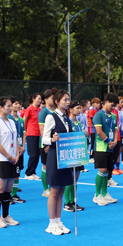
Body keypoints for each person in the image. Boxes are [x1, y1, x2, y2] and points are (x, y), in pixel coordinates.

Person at [42, 90, 74, 235]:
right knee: (54, 191)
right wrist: (52, 139)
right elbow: (44, 138)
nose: (67, 102)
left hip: (65, 157)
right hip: (55, 157)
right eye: (64, 100)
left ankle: (58, 220)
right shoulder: (51, 117)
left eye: (68, 99)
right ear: (57, 102)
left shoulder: (67, 118)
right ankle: (51, 223)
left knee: (61, 191)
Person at [0, 97, 21, 228]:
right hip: (1, 160)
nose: (10, 108)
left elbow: (15, 140)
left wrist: (17, 155)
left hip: (12, 159)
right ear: (0, 108)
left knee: (8, 189)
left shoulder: (12, 122)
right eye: (8, 105)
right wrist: (8, 156)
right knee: (0, 189)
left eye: (11, 105)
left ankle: (6, 215)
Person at [92, 93, 121, 207]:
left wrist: (115, 141)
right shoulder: (98, 115)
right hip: (101, 147)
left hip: (111, 147)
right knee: (102, 169)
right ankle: (97, 194)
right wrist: (109, 141)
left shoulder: (113, 116)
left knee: (108, 170)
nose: (113, 107)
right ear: (106, 102)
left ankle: (104, 194)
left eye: (114, 106)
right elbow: (99, 131)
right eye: (112, 105)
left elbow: (115, 130)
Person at [63, 101, 86, 211]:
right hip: (70, 153)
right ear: (70, 109)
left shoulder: (79, 123)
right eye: (77, 108)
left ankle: (73, 201)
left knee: (75, 178)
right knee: (69, 178)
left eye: (79, 108)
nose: (79, 110)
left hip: (78, 153)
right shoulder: (68, 122)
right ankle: (67, 203)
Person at [35, 89, 55, 194]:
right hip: (46, 143)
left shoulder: (56, 111)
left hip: (55, 142)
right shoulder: (43, 112)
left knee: (54, 166)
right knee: (46, 165)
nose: (54, 99)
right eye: (52, 98)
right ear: (46, 99)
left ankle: (52, 187)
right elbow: (42, 129)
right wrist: (46, 143)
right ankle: (45, 189)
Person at [22, 93, 42, 179]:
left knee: (37, 154)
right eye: (38, 98)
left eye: (40, 99)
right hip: (31, 134)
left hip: (38, 134)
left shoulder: (39, 110)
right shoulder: (29, 109)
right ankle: (28, 173)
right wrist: (25, 131)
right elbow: (24, 120)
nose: (39, 100)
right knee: (33, 154)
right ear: (33, 99)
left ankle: (33, 171)